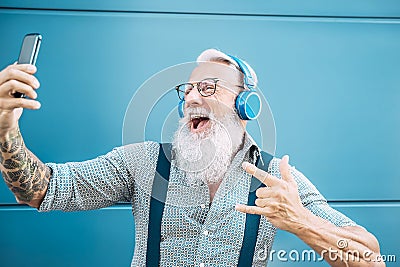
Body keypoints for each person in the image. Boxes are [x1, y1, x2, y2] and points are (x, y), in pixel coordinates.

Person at [0, 49, 384, 267]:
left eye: (208, 87)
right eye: (187, 89)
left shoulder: (276, 180)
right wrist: (4, 128)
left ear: (246, 105)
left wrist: (300, 221)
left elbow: (371, 260)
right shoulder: (142, 163)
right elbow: (42, 189)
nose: (191, 98)